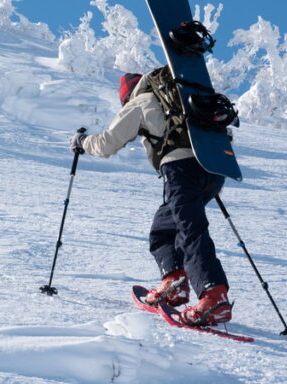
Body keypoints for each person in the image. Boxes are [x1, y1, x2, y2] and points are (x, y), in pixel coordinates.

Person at [69, 70, 233, 327]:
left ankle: (213, 297)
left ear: (126, 95)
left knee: (191, 231)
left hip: (181, 170)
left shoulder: (140, 102)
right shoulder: (180, 96)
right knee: (163, 229)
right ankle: (174, 283)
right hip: (213, 169)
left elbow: (107, 143)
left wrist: (82, 141)